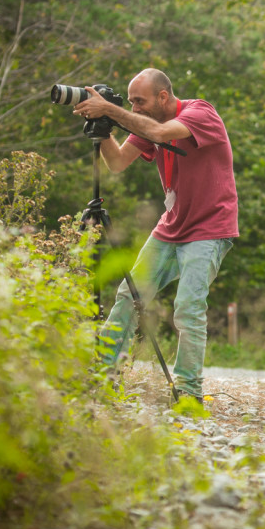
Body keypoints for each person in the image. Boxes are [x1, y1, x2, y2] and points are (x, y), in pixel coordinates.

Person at [75, 68, 238, 403]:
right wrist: (104, 130)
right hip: (171, 225)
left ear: (163, 97)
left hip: (209, 227)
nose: (134, 108)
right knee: (128, 296)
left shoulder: (199, 113)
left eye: (140, 101)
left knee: (188, 308)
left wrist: (110, 109)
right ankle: (102, 378)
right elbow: (117, 162)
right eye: (130, 101)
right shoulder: (144, 122)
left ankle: (188, 392)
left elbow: (162, 133)